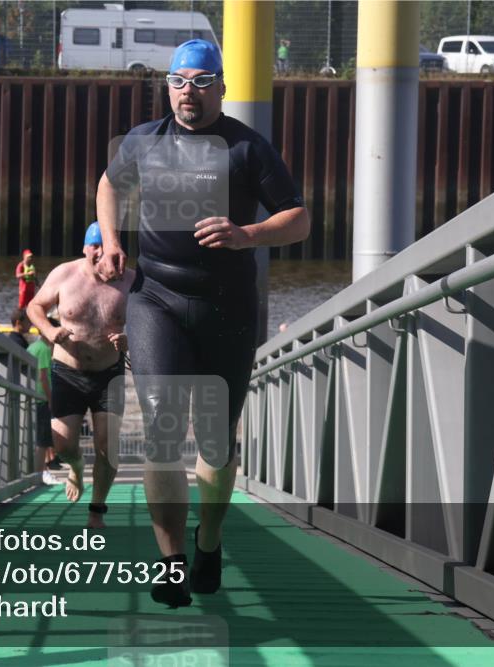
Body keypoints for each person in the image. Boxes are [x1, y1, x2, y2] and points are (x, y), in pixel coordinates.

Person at [95, 39, 310, 607]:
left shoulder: (246, 148)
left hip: (227, 304)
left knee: (216, 443)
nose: (188, 91)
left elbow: (299, 219)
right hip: (156, 296)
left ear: (220, 86)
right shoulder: (143, 141)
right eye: (179, 80)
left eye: (200, 80)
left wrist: (247, 235)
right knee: (163, 430)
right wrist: (113, 242)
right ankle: (170, 562)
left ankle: (208, 539)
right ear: (167, 87)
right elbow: (110, 184)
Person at [26, 222, 135, 529]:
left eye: (106, 246)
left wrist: (131, 339)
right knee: (64, 446)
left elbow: (150, 322)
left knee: (107, 444)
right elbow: (35, 306)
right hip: (67, 372)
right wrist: (48, 330)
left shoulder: (131, 281)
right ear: (85, 248)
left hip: (108, 374)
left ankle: (96, 510)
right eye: (94, 246)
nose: (100, 253)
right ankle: (75, 468)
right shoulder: (65, 275)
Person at [28, 321, 64, 485]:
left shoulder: (33, 347)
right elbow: (43, 376)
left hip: (31, 396)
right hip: (42, 399)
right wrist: (51, 399)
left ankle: (39, 472)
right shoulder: (43, 349)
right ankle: (41, 473)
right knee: (42, 440)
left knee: (37, 439)